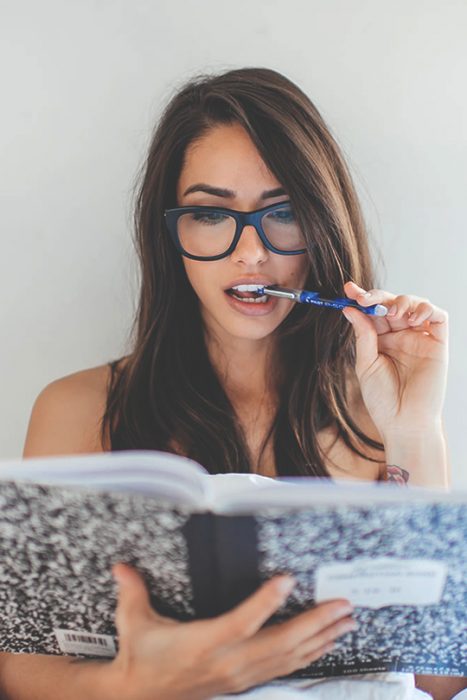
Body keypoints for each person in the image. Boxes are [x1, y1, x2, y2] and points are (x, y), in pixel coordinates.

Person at [2, 67, 463, 700]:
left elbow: (440, 683)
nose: (251, 253)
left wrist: (414, 430)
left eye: (284, 212)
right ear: (171, 236)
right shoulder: (78, 411)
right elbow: (23, 670)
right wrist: (144, 684)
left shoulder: (384, 419)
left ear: (323, 225)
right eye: (211, 213)